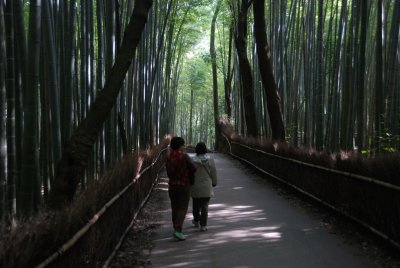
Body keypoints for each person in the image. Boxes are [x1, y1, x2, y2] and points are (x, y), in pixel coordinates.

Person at [165, 137, 196, 241]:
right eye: (183, 145)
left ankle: (175, 227)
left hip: (172, 185)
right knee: (182, 207)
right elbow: (193, 167)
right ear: (180, 146)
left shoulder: (168, 156)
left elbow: (168, 171)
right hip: (183, 185)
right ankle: (178, 230)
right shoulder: (184, 156)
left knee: (175, 207)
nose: (184, 146)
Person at [190, 142, 218, 232]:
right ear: (205, 149)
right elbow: (213, 172)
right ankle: (203, 225)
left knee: (195, 204)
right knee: (204, 206)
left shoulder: (192, 160)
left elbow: (190, 173)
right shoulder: (210, 160)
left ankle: (196, 220)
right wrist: (214, 182)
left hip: (195, 185)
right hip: (206, 186)